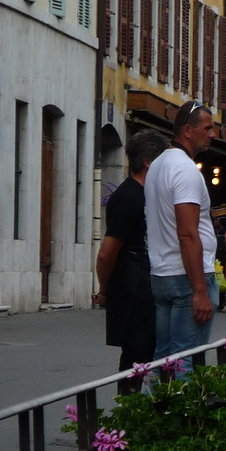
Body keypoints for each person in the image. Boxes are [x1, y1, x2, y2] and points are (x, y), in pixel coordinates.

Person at [144, 101, 220, 370]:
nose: (213, 134)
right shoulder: (185, 170)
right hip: (187, 278)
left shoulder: (156, 166)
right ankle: (181, 413)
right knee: (185, 361)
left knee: (163, 359)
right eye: (207, 128)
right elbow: (188, 234)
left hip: (162, 273)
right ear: (187, 130)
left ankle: (152, 410)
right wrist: (200, 290)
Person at [95, 130, 167, 377]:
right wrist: (104, 290)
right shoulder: (128, 196)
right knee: (136, 356)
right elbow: (107, 253)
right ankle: (129, 407)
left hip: (143, 282)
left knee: (147, 354)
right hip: (133, 286)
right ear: (149, 162)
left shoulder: (148, 194)